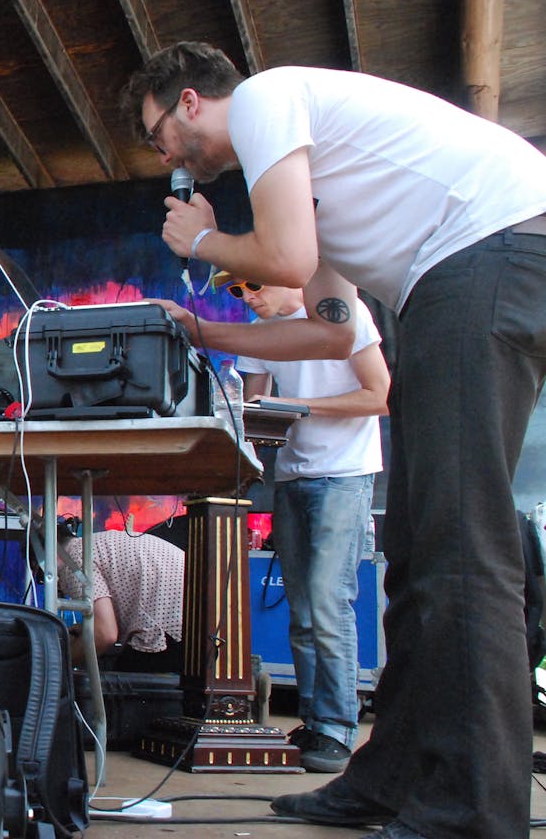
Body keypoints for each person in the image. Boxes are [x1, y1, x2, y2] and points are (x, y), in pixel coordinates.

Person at [123, 41, 546, 839]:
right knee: (419, 554)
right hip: (457, 274)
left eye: (159, 137)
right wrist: (210, 328)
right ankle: (388, 779)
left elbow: (284, 257)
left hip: (487, 253)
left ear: (187, 102)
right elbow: (331, 330)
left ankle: (473, 812)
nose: (166, 158)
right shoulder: (306, 176)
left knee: (462, 551)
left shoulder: (263, 100)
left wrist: (204, 242)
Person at [220, 279, 389, 772]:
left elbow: (380, 395)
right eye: (236, 291)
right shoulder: (262, 330)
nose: (248, 296)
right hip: (293, 476)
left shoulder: (344, 312)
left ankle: (337, 727)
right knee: (301, 607)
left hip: (347, 473)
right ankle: (315, 721)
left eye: (253, 285)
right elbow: (253, 411)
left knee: (327, 600)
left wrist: (303, 409)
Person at [57, 525, 184, 672]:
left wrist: (58, 664)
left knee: (119, 684)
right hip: (193, 613)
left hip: (166, 626)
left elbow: (105, 634)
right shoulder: (92, 545)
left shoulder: (72, 561)